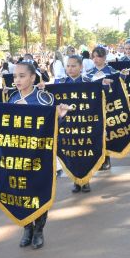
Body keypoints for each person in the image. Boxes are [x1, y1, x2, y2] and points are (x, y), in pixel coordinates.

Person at [0, 61, 70, 250]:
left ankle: (39, 230)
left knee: (39, 191)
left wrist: (61, 116)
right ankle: (26, 228)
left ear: (32, 77)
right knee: (20, 193)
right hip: (17, 158)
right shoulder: (12, 99)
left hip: (39, 158)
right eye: (15, 76)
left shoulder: (44, 99)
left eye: (22, 76)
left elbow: (52, 128)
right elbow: (3, 128)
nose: (17, 80)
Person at [55, 55, 93, 193]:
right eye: (68, 66)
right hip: (67, 125)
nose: (70, 69)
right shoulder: (60, 83)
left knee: (85, 153)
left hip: (84, 124)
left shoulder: (89, 82)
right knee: (71, 153)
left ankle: (86, 180)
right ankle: (76, 181)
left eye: (73, 66)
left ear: (81, 67)